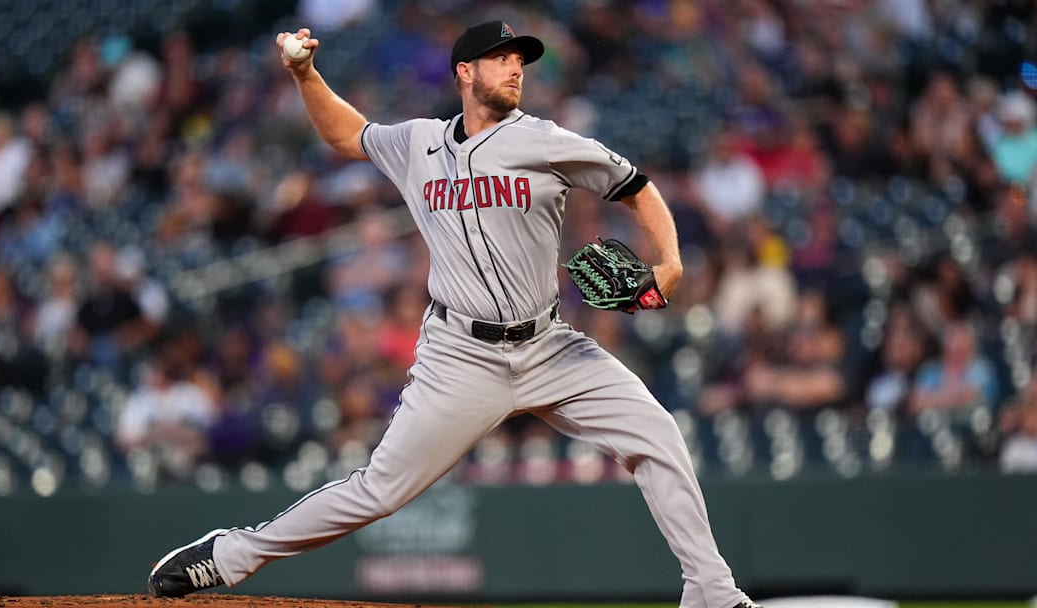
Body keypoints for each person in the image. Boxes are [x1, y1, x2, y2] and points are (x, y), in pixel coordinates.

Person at [147, 21, 759, 608]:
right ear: (465, 71)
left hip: (550, 345)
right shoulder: (418, 143)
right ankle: (231, 555)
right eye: (502, 58)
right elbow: (347, 135)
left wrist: (670, 260)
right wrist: (306, 74)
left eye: (521, 60)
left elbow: (635, 185)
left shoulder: (544, 139)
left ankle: (712, 591)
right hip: (461, 354)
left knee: (656, 435)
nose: (515, 68)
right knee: (379, 491)